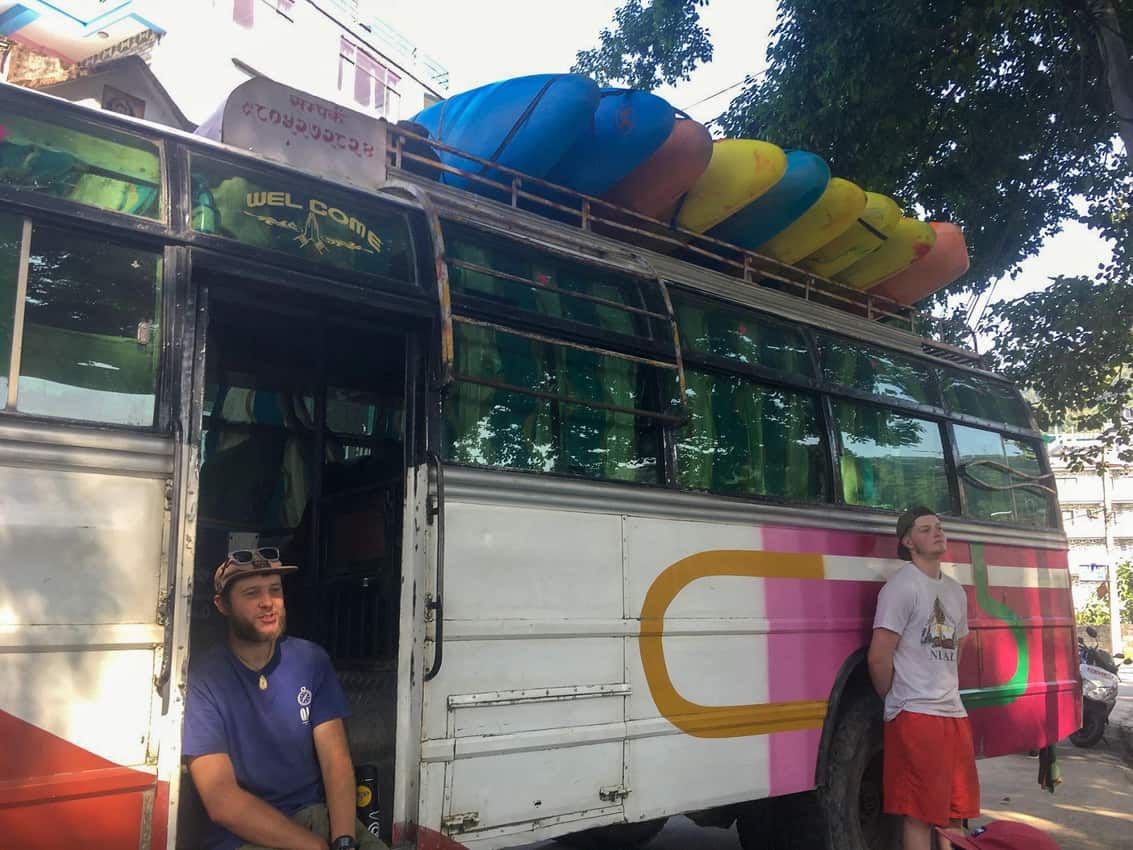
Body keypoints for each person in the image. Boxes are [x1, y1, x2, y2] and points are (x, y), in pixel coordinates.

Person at [183, 548, 387, 850]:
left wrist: (343, 841)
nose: (268, 603)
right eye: (252, 593)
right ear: (222, 605)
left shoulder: (310, 660)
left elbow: (336, 762)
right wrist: (315, 847)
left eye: (275, 590)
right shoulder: (204, 680)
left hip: (314, 816)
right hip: (243, 834)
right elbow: (222, 800)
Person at [868, 507, 980, 850]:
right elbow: (879, 655)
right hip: (915, 713)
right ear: (907, 541)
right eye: (925, 528)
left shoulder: (955, 590)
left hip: (954, 713)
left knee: (955, 813)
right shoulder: (900, 588)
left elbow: (960, 644)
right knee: (918, 814)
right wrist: (897, 699)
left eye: (939, 527)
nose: (937, 532)